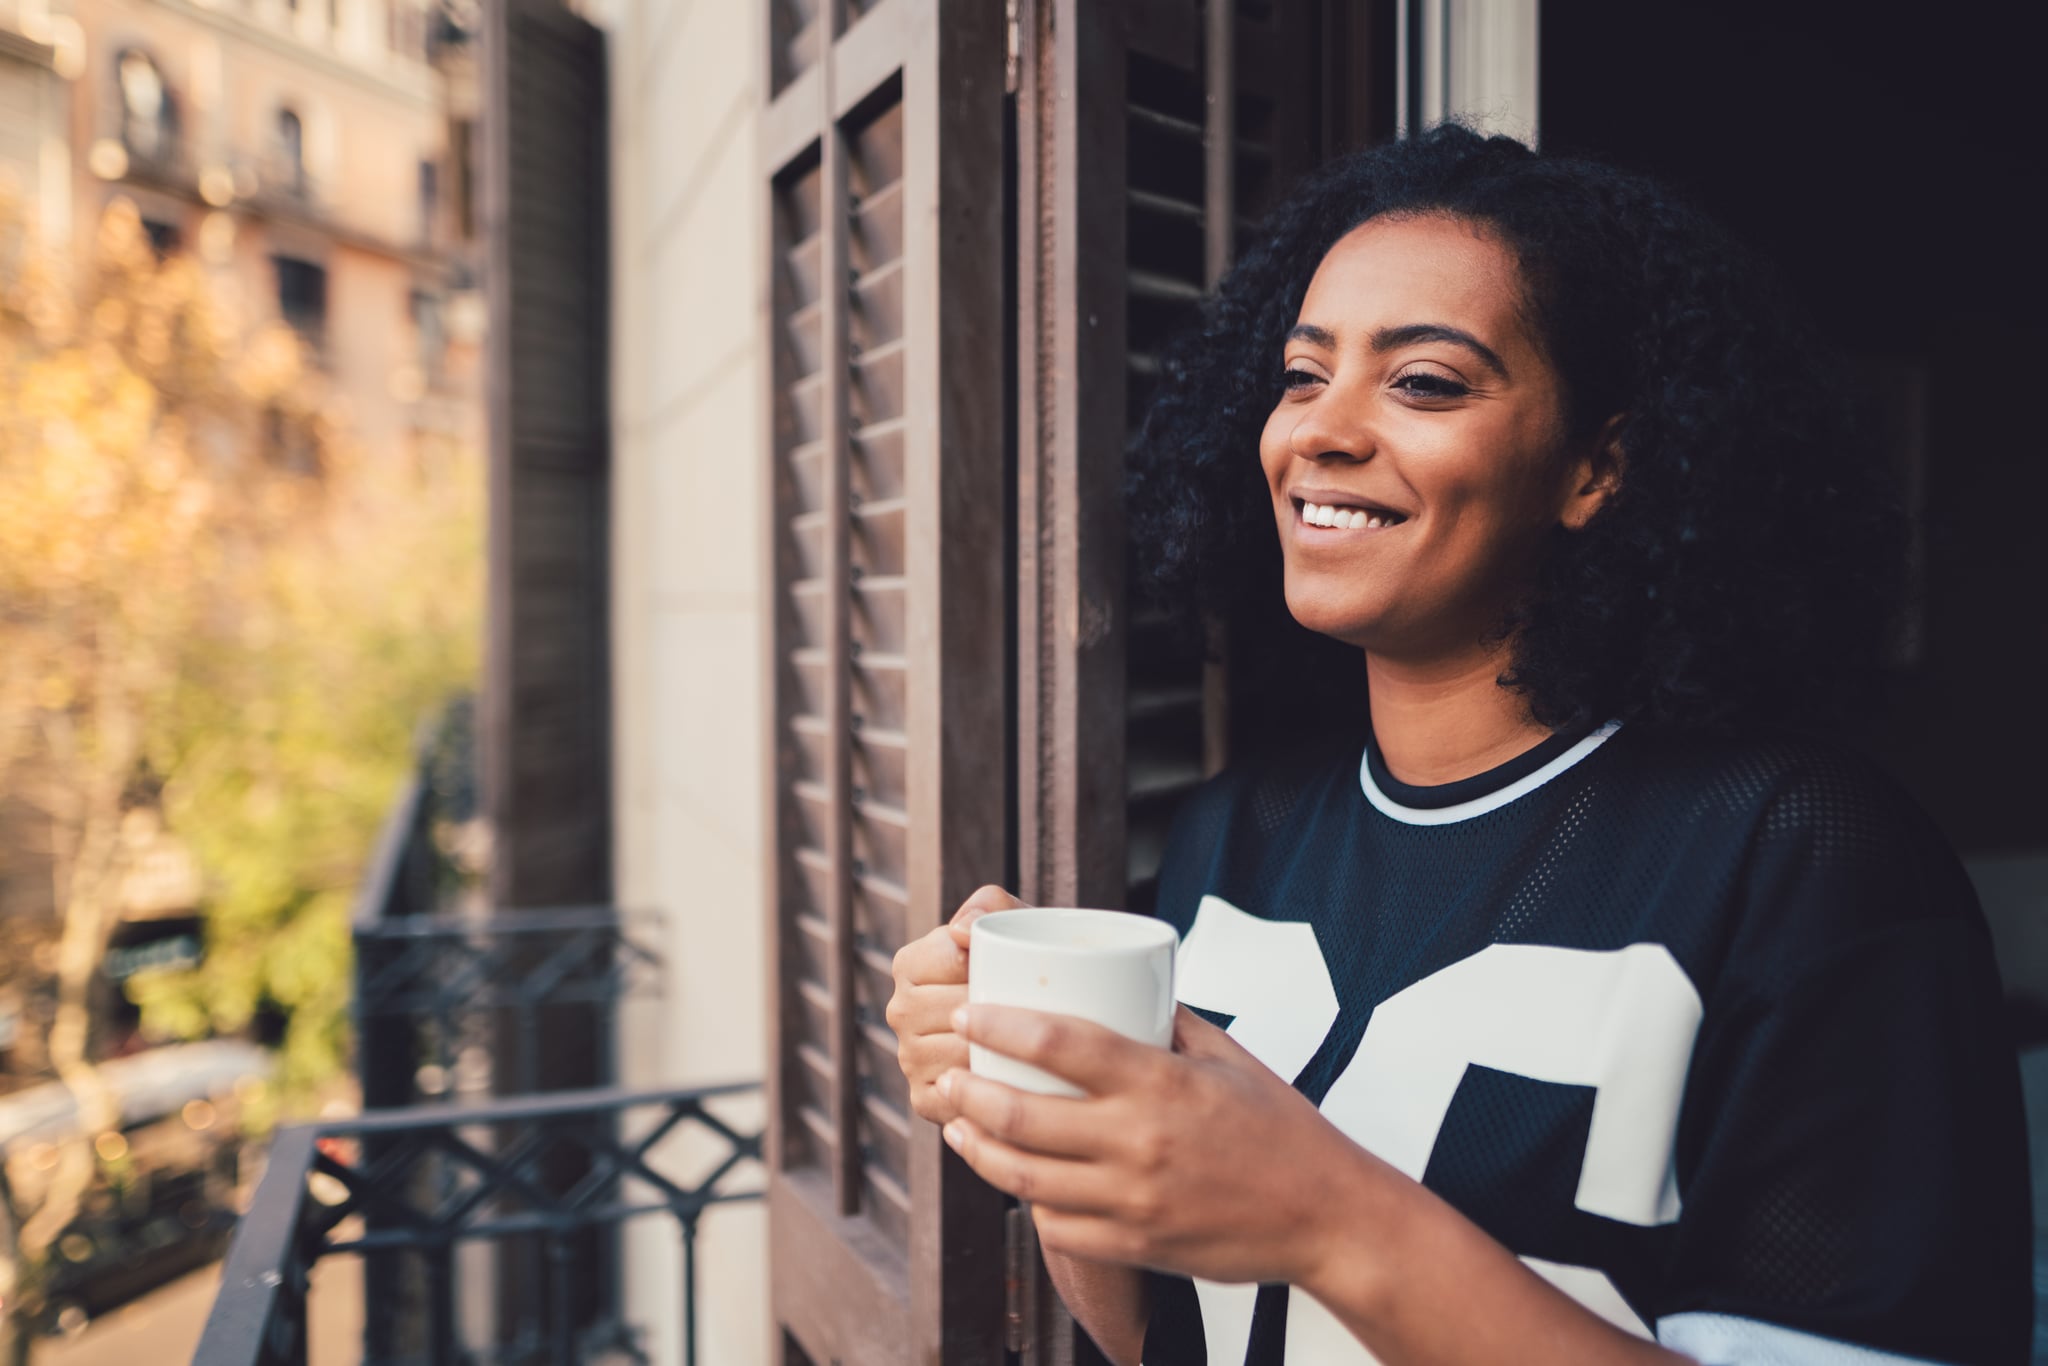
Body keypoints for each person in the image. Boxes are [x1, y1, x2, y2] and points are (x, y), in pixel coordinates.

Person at [885, 125, 2032, 1365]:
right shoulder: (1234, 832)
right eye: (1300, 375)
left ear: (1594, 466)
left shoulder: (1798, 852)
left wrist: (1326, 1215)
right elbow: (1167, 1337)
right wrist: (1043, 1120)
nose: (1319, 431)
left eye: (1423, 381)